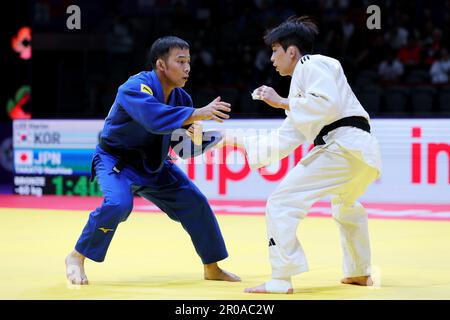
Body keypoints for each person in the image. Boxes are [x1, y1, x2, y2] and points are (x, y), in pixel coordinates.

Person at [218, 16, 381, 294]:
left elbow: (325, 105)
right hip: (360, 153)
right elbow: (285, 139)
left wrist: (280, 101)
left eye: (274, 50)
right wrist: (230, 140)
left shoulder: (312, 64)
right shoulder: (302, 90)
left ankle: (281, 279)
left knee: (281, 203)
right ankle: (358, 271)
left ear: (291, 51)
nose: (272, 59)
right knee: (346, 205)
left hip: (343, 146)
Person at [65, 36, 240, 285]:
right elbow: (153, 118)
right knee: (118, 204)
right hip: (117, 161)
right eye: (180, 61)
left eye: (189, 61)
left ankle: (212, 266)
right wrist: (197, 114)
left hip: (155, 165)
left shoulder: (182, 100)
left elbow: (181, 149)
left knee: (196, 202)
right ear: (161, 65)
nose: (187, 68)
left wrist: (213, 139)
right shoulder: (134, 87)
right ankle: (76, 257)